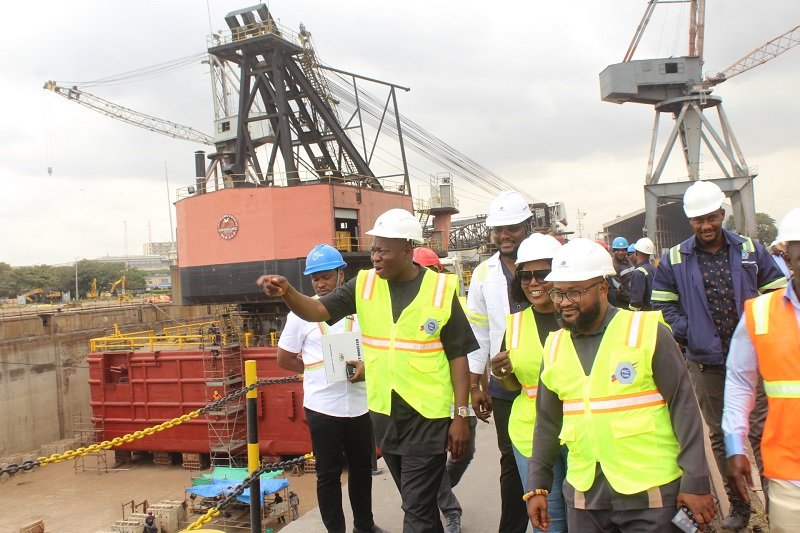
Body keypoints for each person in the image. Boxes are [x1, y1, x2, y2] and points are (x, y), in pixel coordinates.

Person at [257, 208, 475, 533]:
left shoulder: (440, 291)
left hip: (427, 418)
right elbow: (317, 309)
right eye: (373, 249)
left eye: (383, 250)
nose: (375, 256)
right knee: (420, 508)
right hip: (385, 416)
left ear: (406, 249)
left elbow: (459, 356)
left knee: (415, 511)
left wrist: (460, 414)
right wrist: (288, 292)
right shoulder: (364, 285)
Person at [527, 238, 717, 532]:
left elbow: (684, 407)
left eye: (574, 292)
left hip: (650, 494)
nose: (564, 303)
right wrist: (537, 485)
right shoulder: (553, 347)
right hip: (585, 496)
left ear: (603, 288)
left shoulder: (647, 331)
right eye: (558, 294)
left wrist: (696, 481)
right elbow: (547, 423)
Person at [652, 180, 787, 530]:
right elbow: (662, 304)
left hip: (753, 360)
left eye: (711, 218)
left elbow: (777, 291)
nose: (706, 226)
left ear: (722, 214)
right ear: (689, 221)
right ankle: (740, 506)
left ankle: (774, 503)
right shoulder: (675, 258)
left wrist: (764, 331)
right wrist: (689, 330)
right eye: (698, 221)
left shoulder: (749, 250)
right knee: (720, 435)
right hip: (706, 363)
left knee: (760, 432)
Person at [276, 244, 381, 533]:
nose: (320, 284)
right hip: (323, 408)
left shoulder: (361, 310)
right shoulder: (300, 314)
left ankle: (365, 525)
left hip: (361, 403)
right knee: (328, 474)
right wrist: (313, 373)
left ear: (341, 274)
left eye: (326, 277)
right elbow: (284, 358)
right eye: (314, 279)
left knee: (362, 471)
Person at [723, 207, 800, 533]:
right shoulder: (761, 314)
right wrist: (735, 446)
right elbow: (740, 380)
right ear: (788, 255)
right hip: (789, 473)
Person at [489, 233, 566, 533]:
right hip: (531, 436)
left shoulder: (577, 317)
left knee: (586, 517)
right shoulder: (516, 324)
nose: (534, 283)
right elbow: (513, 387)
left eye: (542, 274)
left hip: (579, 434)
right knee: (550, 521)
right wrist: (501, 373)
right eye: (526, 276)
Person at [465, 190, 532, 533]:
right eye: (498, 229)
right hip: (506, 384)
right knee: (511, 458)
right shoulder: (482, 274)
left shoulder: (546, 263)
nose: (504, 236)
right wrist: (477, 385)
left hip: (551, 377)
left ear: (526, 226)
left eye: (512, 228)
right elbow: (478, 333)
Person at [415, 245, 477, 533]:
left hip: (461, 398)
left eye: (429, 271)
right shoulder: (408, 310)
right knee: (433, 460)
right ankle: (450, 510)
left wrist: (476, 390)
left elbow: (474, 351)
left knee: (466, 453)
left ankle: (430, 492)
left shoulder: (456, 304)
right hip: (430, 401)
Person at [628, 237, 656, 311]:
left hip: (645, 314)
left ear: (636, 252)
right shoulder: (653, 269)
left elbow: (636, 302)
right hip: (655, 311)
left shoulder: (638, 272)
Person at [609, 236, 635, 309]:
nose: (620, 252)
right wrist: (633, 300)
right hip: (624, 304)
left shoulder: (629, 262)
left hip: (634, 298)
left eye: (623, 250)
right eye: (618, 250)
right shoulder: (613, 266)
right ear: (614, 251)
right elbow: (619, 289)